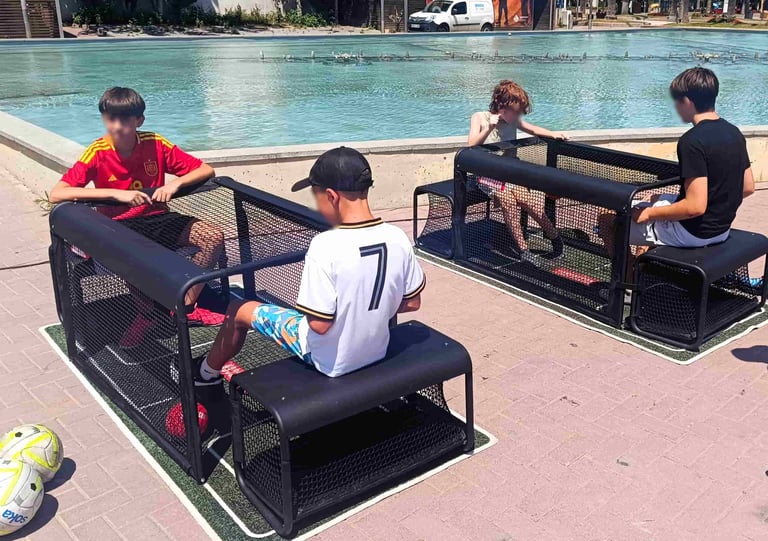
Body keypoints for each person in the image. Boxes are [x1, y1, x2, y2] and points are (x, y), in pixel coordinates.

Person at [192, 147, 426, 390]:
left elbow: (319, 325)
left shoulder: (325, 245)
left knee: (239, 309)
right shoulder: (397, 236)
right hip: (376, 351)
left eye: (318, 198)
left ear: (332, 196)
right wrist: (367, 312)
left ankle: (206, 374)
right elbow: (412, 302)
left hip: (328, 361)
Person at [50, 87, 225, 346]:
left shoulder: (156, 143)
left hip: (157, 218)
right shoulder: (96, 152)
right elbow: (57, 193)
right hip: (119, 227)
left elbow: (205, 169)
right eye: (110, 119)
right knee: (132, 257)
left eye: (124, 120)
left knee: (213, 237)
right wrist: (116, 195)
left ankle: (183, 306)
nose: (117, 126)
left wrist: (173, 185)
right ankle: (147, 316)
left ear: (139, 121)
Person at [598, 67, 755, 261]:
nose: (675, 107)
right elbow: (748, 187)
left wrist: (649, 214)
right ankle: (646, 268)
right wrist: (717, 204)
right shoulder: (734, 133)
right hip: (721, 230)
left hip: (692, 234)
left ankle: (628, 283)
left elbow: (695, 207)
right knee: (656, 196)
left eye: (676, 101)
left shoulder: (692, 141)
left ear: (687, 102)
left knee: (605, 219)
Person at [468, 80, 568, 265]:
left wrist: (553, 134)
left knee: (529, 201)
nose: (518, 115)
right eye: (516, 110)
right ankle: (523, 250)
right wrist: (489, 128)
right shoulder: (479, 117)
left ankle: (555, 239)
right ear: (502, 106)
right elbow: (471, 145)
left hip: (510, 173)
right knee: (507, 201)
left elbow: (532, 129)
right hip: (487, 174)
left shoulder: (513, 121)